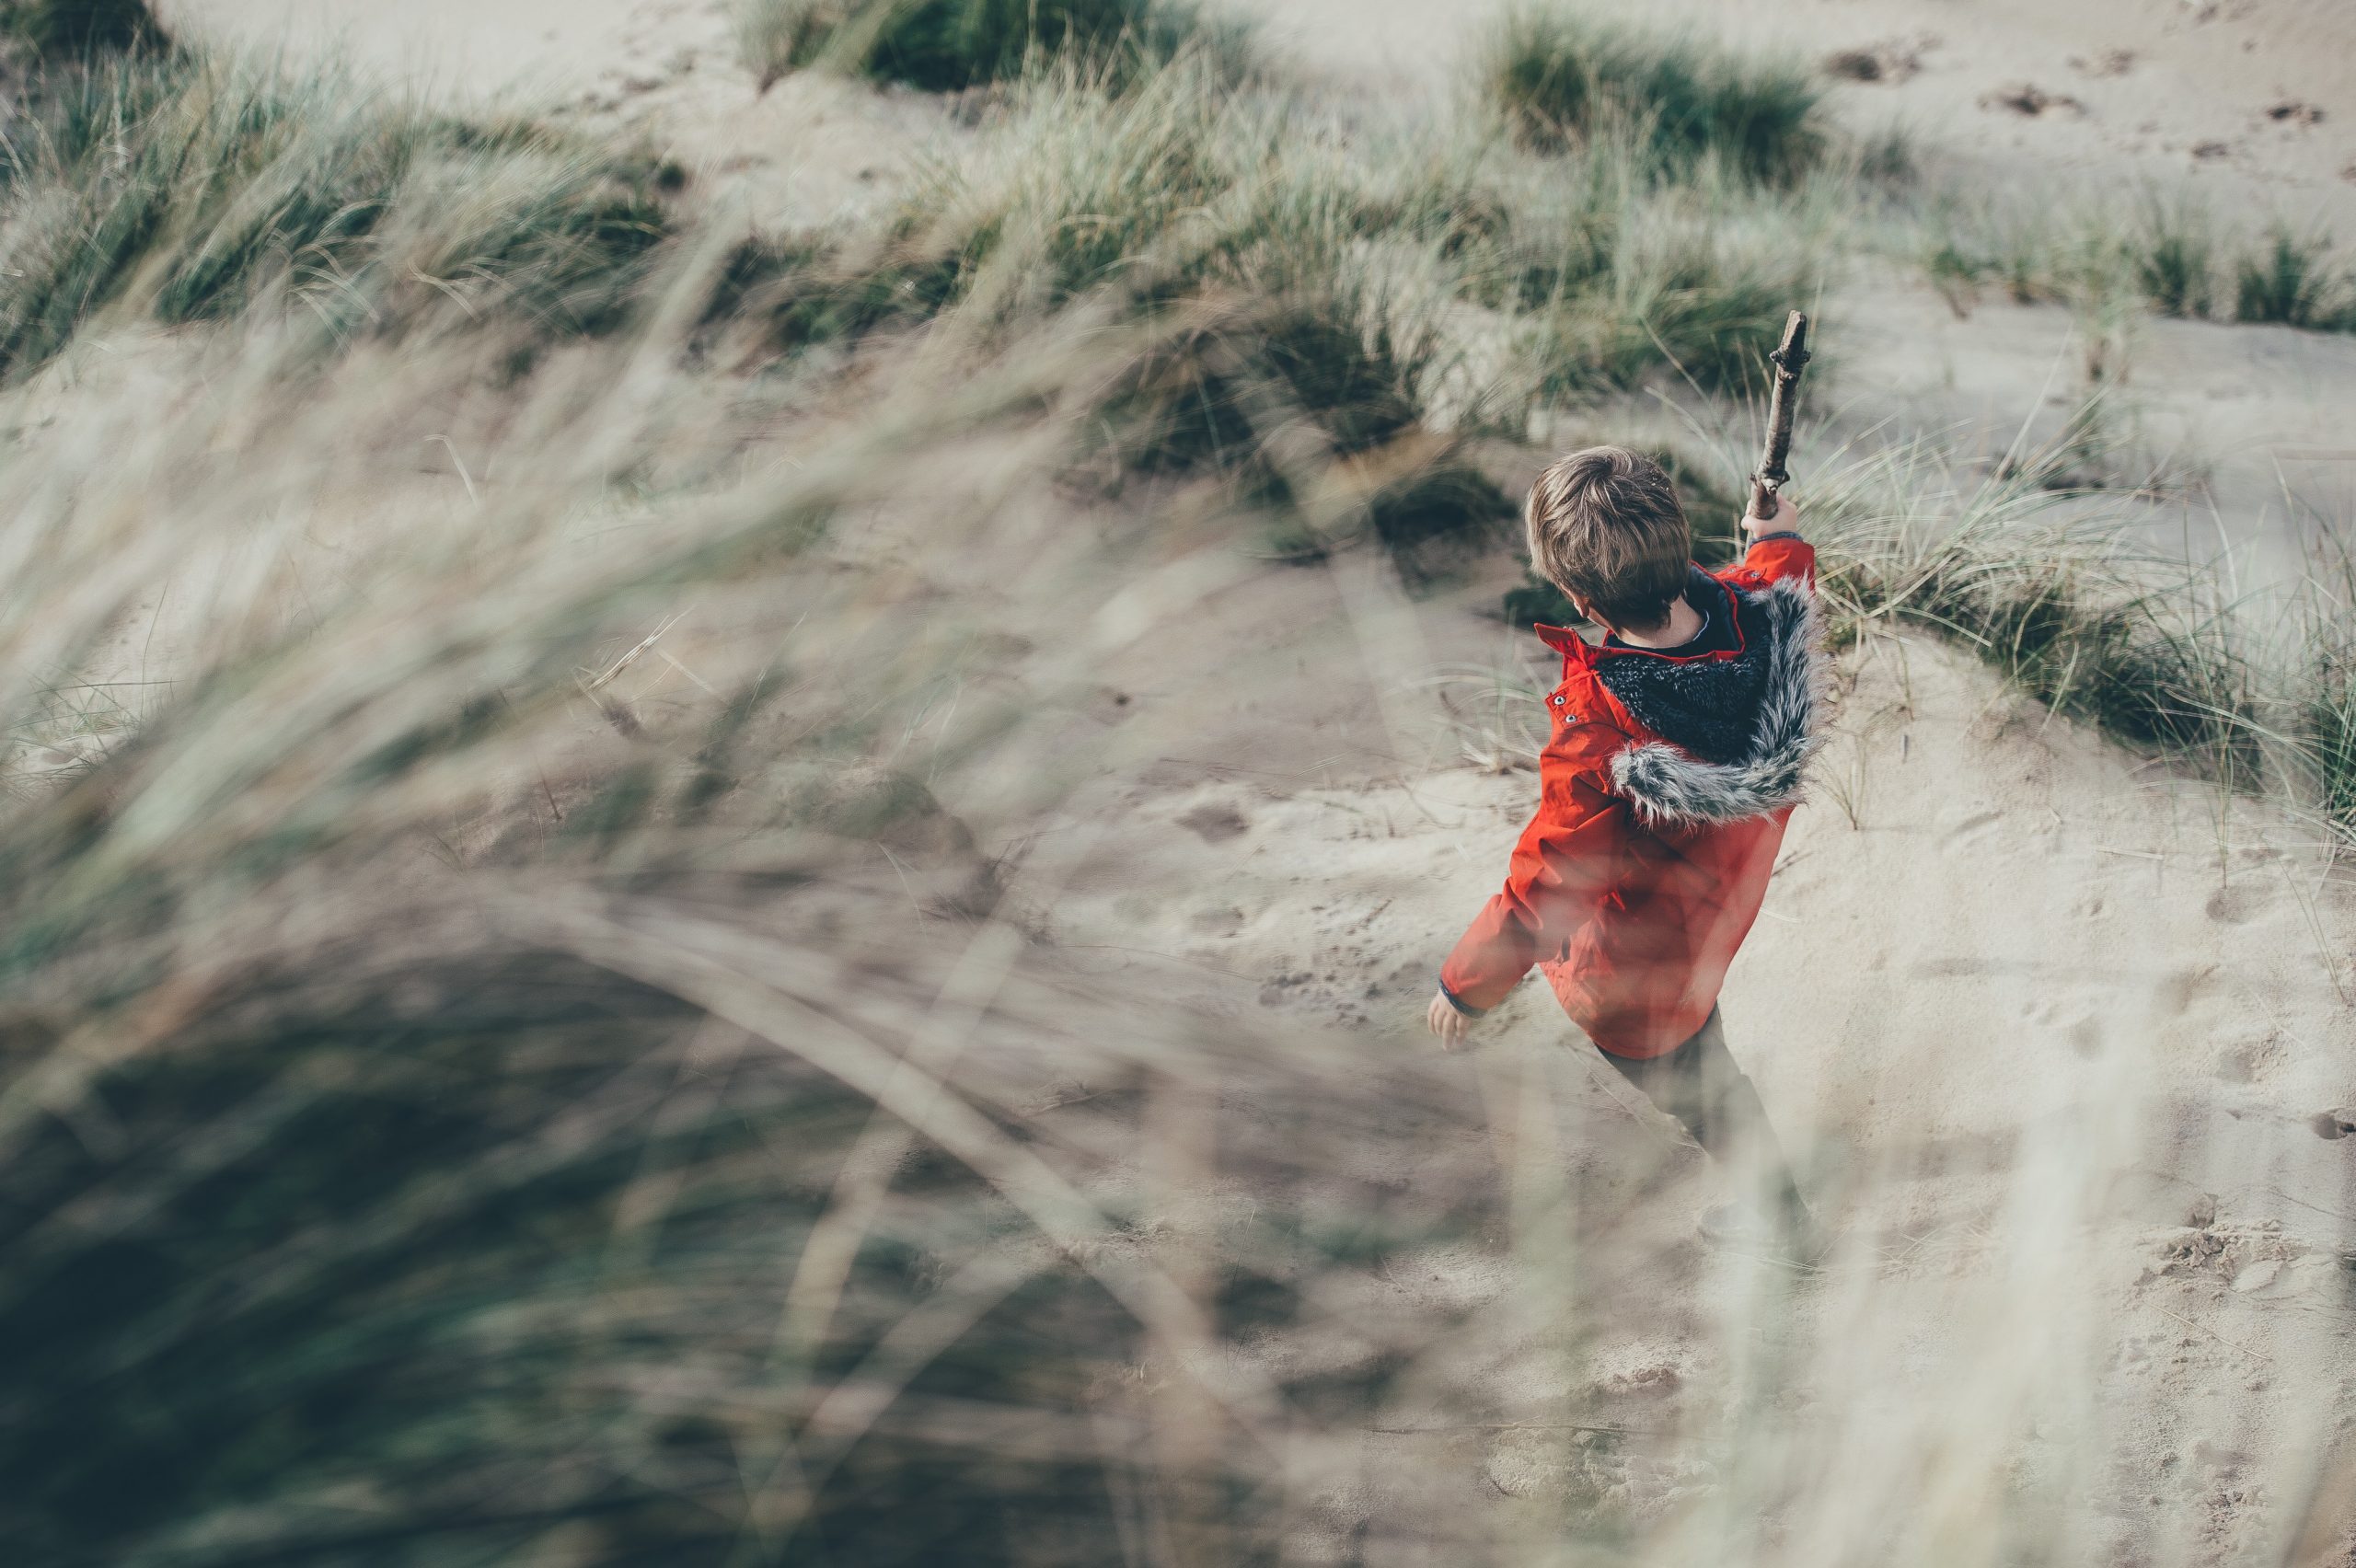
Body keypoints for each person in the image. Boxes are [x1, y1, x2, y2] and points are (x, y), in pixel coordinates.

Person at [1426, 446, 1822, 1254]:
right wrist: (1778, 537)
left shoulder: (1598, 733)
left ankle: (1785, 1230)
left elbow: (1547, 883)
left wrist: (1467, 986)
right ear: (1681, 550)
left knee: (1706, 1091)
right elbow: (1778, 580)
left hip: (1632, 977)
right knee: (1708, 1055)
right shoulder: (1761, 625)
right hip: (1710, 924)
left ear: (1575, 594)